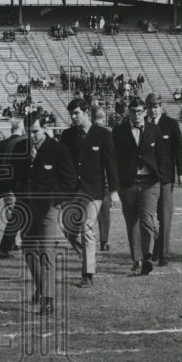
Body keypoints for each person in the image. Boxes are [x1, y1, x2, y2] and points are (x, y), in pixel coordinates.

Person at [19, 110, 76, 316]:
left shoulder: (58, 149)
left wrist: (56, 201)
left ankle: (48, 300)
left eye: (35, 131)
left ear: (45, 128)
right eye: (28, 132)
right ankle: (43, 287)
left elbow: (70, 180)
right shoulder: (22, 149)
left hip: (49, 207)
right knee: (27, 248)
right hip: (27, 206)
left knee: (46, 252)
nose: (31, 136)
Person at [60, 99, 119, 287]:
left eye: (76, 113)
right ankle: (89, 257)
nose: (73, 117)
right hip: (72, 190)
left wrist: (115, 191)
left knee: (86, 227)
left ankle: (88, 272)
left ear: (86, 112)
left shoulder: (102, 134)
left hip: (94, 190)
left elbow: (111, 164)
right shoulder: (67, 135)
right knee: (69, 232)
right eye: (71, 114)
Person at [112, 96, 161, 275]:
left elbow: (162, 157)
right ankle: (137, 260)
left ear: (145, 112)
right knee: (132, 222)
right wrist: (115, 188)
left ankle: (147, 256)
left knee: (147, 218)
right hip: (128, 183)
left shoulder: (154, 130)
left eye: (140, 111)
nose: (137, 115)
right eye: (133, 111)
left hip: (149, 182)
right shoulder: (118, 132)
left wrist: (163, 178)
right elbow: (114, 161)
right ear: (128, 112)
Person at [146, 94, 182, 266]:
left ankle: (164, 254)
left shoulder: (171, 124)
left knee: (165, 216)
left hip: (166, 178)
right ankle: (155, 245)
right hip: (146, 178)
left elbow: (179, 150)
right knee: (147, 217)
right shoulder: (142, 125)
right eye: (150, 107)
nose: (153, 110)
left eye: (156, 106)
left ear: (161, 106)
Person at [0, 117, 28, 258]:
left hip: (6, 184)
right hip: (22, 185)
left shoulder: (1, 144)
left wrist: (1, 181)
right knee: (20, 214)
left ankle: (14, 243)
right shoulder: (24, 143)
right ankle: (16, 242)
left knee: (12, 212)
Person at [92, 106, 113, 252]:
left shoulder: (87, 131)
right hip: (104, 178)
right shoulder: (109, 132)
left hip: (88, 178)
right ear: (104, 118)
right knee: (104, 212)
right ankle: (104, 241)